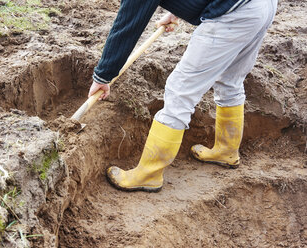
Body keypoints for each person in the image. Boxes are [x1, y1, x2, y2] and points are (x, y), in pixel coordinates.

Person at [88, 0, 278, 192]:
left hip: (235, 14)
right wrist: (177, 11)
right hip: (261, 6)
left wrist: (103, 75)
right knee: (230, 79)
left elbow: (129, 23)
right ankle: (226, 150)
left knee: (180, 90)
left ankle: (148, 174)